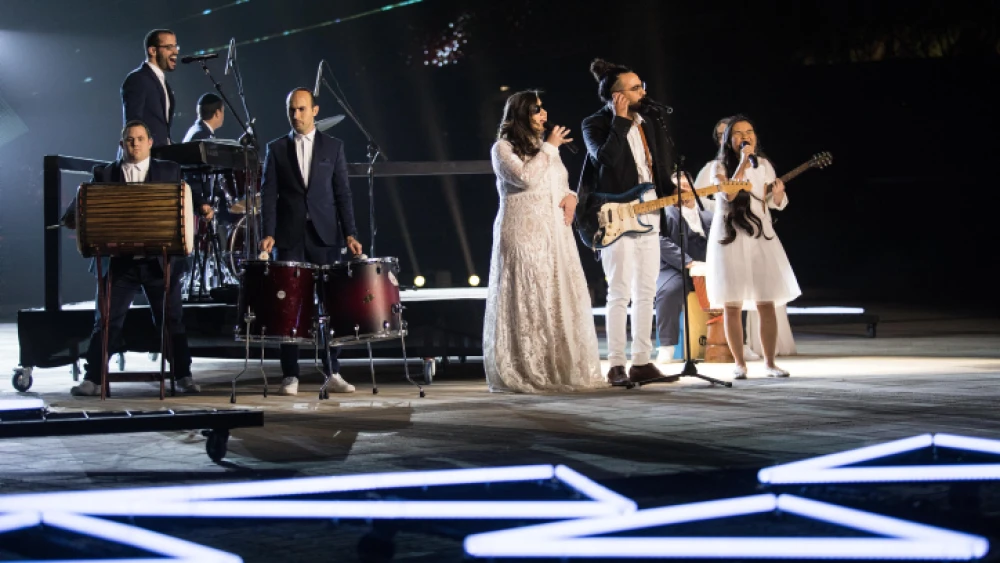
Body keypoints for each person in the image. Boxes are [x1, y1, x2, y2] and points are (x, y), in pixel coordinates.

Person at [65, 120, 213, 396]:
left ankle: (183, 376)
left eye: (139, 139)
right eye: (129, 140)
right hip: (120, 263)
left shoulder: (169, 170)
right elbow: (83, 200)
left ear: (150, 142)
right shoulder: (104, 173)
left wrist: (203, 204)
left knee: (171, 321)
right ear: (121, 145)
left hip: (160, 262)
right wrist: (70, 215)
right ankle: (93, 378)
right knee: (107, 320)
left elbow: (189, 192)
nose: (134, 144)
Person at [483, 91, 604, 393]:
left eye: (543, 108)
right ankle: (529, 368)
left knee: (555, 297)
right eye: (537, 110)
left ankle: (558, 369)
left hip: (554, 236)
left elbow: (559, 183)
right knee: (530, 297)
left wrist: (572, 197)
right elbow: (526, 178)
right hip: (523, 234)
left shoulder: (545, 148)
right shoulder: (503, 148)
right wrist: (550, 147)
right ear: (521, 113)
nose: (544, 114)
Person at [578, 58, 684, 386]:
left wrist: (675, 192)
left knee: (646, 290)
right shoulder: (594, 124)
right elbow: (605, 160)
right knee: (619, 290)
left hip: (649, 213)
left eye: (643, 85)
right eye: (635, 87)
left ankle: (641, 361)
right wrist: (620, 121)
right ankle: (615, 365)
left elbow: (656, 170)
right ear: (617, 95)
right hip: (615, 215)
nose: (643, 91)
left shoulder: (648, 122)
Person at [259, 88, 362, 396]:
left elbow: (342, 193)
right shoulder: (276, 148)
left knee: (329, 307)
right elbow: (268, 195)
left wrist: (350, 233)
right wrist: (268, 232)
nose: (296, 115)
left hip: (325, 236)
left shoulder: (334, 146)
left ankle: (332, 371)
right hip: (289, 237)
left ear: (314, 110)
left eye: (301, 109)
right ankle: (290, 374)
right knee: (288, 307)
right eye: (291, 110)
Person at [705, 115, 801, 378]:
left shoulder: (766, 165)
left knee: (766, 301)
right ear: (728, 139)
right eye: (738, 133)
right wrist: (743, 164)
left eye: (749, 131)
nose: (745, 136)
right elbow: (728, 194)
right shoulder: (718, 167)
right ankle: (739, 364)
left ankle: (769, 363)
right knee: (732, 305)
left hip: (761, 235)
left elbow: (769, 202)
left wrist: (778, 196)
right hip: (730, 236)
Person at [122, 29, 178, 147]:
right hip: (144, 158)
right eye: (169, 47)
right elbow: (133, 124)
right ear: (153, 50)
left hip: (160, 156)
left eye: (175, 46)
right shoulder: (138, 79)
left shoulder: (162, 81)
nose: (175, 51)